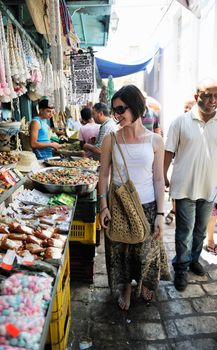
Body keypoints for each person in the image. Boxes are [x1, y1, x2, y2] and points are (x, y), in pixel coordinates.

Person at [98, 85, 170, 310]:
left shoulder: (155, 141)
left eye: (121, 109)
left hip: (147, 206)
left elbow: (159, 179)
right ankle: (126, 288)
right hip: (118, 205)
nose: (117, 115)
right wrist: (103, 206)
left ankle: (146, 284)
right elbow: (104, 174)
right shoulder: (111, 139)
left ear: (136, 106)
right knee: (121, 251)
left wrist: (160, 213)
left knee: (147, 251)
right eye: (114, 110)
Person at [164, 77, 217, 291]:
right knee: (184, 231)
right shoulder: (180, 122)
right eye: (208, 95)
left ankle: (193, 259)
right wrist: (163, 176)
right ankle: (182, 269)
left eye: (216, 95)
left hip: (210, 186)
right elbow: (168, 151)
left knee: (201, 230)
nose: (213, 100)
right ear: (197, 97)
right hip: (184, 186)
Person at [165, 98, 196, 225]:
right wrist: (164, 173)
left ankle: (173, 212)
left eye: (189, 108)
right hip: (181, 171)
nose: (186, 111)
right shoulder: (180, 123)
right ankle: (173, 210)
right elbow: (169, 149)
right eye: (185, 109)